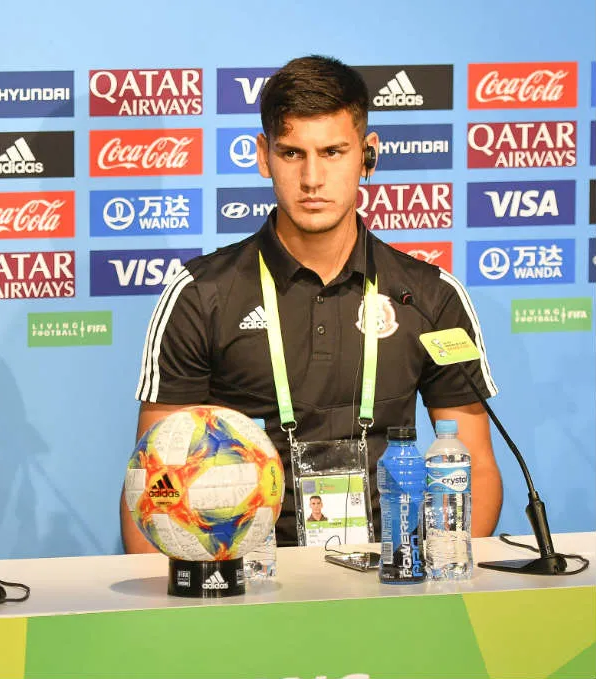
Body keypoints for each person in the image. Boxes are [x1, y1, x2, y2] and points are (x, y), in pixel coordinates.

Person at [123, 55, 501, 549]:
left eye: (333, 152)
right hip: (245, 584)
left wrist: (436, 577)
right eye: (293, 153)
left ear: (368, 155)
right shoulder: (200, 295)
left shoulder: (430, 295)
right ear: (263, 156)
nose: (312, 179)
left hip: (393, 580)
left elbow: (476, 465)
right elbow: (154, 484)